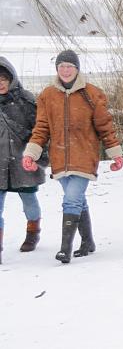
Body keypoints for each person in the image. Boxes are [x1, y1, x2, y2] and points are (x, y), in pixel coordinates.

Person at [22, 50, 123, 264]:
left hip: (84, 156)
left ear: (77, 69)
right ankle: (88, 242)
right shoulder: (47, 95)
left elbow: (105, 126)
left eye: (70, 66)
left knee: (71, 200)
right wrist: (31, 153)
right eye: (61, 67)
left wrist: (115, 153)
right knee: (78, 200)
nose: (65, 70)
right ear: (57, 69)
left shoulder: (92, 94)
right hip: (59, 157)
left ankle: (64, 249)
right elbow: (41, 128)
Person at [0, 58, 46, 264]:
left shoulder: (26, 100)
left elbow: (41, 131)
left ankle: (33, 230)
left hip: (23, 161)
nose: (0, 83)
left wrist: (38, 156)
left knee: (29, 201)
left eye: (3, 78)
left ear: (11, 79)